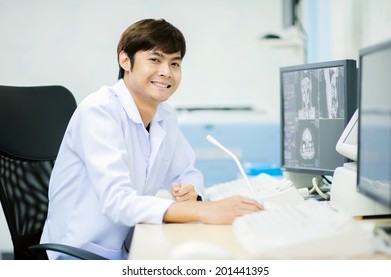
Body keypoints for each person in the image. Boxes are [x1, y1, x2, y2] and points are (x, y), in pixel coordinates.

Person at [40, 18, 263, 260]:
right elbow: (118, 202)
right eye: (155, 60)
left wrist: (192, 193)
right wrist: (202, 210)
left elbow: (186, 172)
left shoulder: (164, 114)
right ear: (125, 60)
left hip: (129, 244)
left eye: (175, 63)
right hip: (80, 254)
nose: (166, 72)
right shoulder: (99, 111)